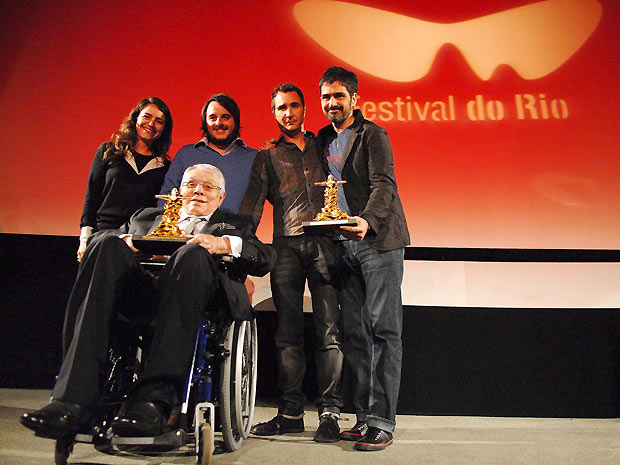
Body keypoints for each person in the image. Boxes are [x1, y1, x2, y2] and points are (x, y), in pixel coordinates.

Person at [20, 164, 276, 439]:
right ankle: (72, 401)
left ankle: (154, 401)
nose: (198, 191)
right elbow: (103, 236)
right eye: (191, 184)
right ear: (179, 189)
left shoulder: (236, 224)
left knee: (191, 255)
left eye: (208, 186)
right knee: (105, 246)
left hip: (201, 301)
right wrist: (126, 239)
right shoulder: (146, 217)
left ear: (221, 197)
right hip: (144, 296)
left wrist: (223, 244)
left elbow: (265, 257)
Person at [241, 83, 343, 442]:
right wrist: (241, 247)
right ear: (274, 113)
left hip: (326, 245)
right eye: (282, 108)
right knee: (287, 336)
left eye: (294, 106)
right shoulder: (267, 155)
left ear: (304, 109)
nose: (289, 113)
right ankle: (290, 414)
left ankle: (330, 413)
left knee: (329, 332)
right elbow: (252, 208)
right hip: (286, 248)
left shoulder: (324, 145)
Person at [317, 66, 410, 451]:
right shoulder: (322, 139)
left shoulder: (373, 134)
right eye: (326, 97)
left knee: (383, 330)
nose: (332, 103)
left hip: (378, 242)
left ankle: (382, 422)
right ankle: (362, 418)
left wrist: (366, 221)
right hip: (342, 245)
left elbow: (384, 184)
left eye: (339, 96)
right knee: (355, 333)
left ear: (355, 99)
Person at [78, 97, 173, 261]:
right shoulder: (109, 151)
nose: (151, 124)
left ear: (164, 129)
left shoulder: (164, 166)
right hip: (104, 234)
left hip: (138, 240)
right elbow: (91, 196)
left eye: (159, 121)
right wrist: (84, 239)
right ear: (136, 118)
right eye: (147, 116)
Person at [158, 93, 256, 214]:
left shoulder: (255, 158)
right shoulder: (186, 154)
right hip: (188, 232)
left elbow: (280, 196)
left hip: (237, 232)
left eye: (225, 117)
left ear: (236, 121)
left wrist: (277, 150)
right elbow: (166, 198)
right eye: (212, 118)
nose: (218, 122)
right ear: (205, 122)